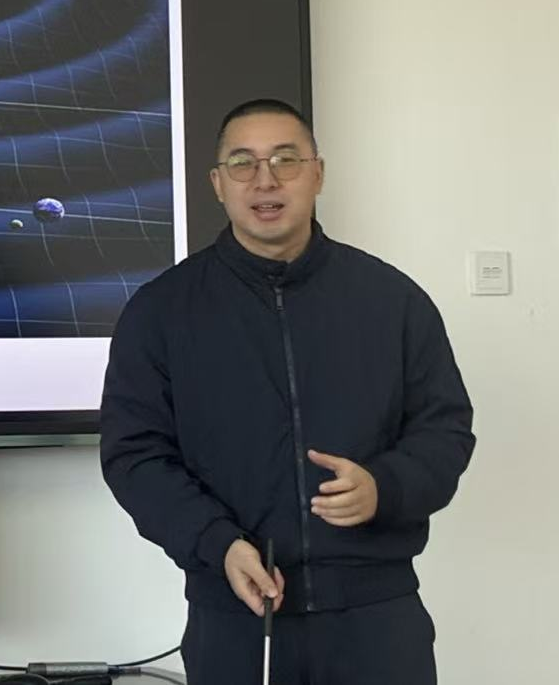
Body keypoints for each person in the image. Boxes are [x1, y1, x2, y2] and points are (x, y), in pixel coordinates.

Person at [99, 99, 475, 685]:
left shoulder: (392, 300)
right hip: (237, 616)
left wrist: (385, 486)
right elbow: (134, 455)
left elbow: (444, 429)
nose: (265, 180)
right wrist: (218, 543)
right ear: (217, 183)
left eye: (285, 160)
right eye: (243, 163)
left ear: (317, 174)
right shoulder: (161, 311)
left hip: (378, 617)